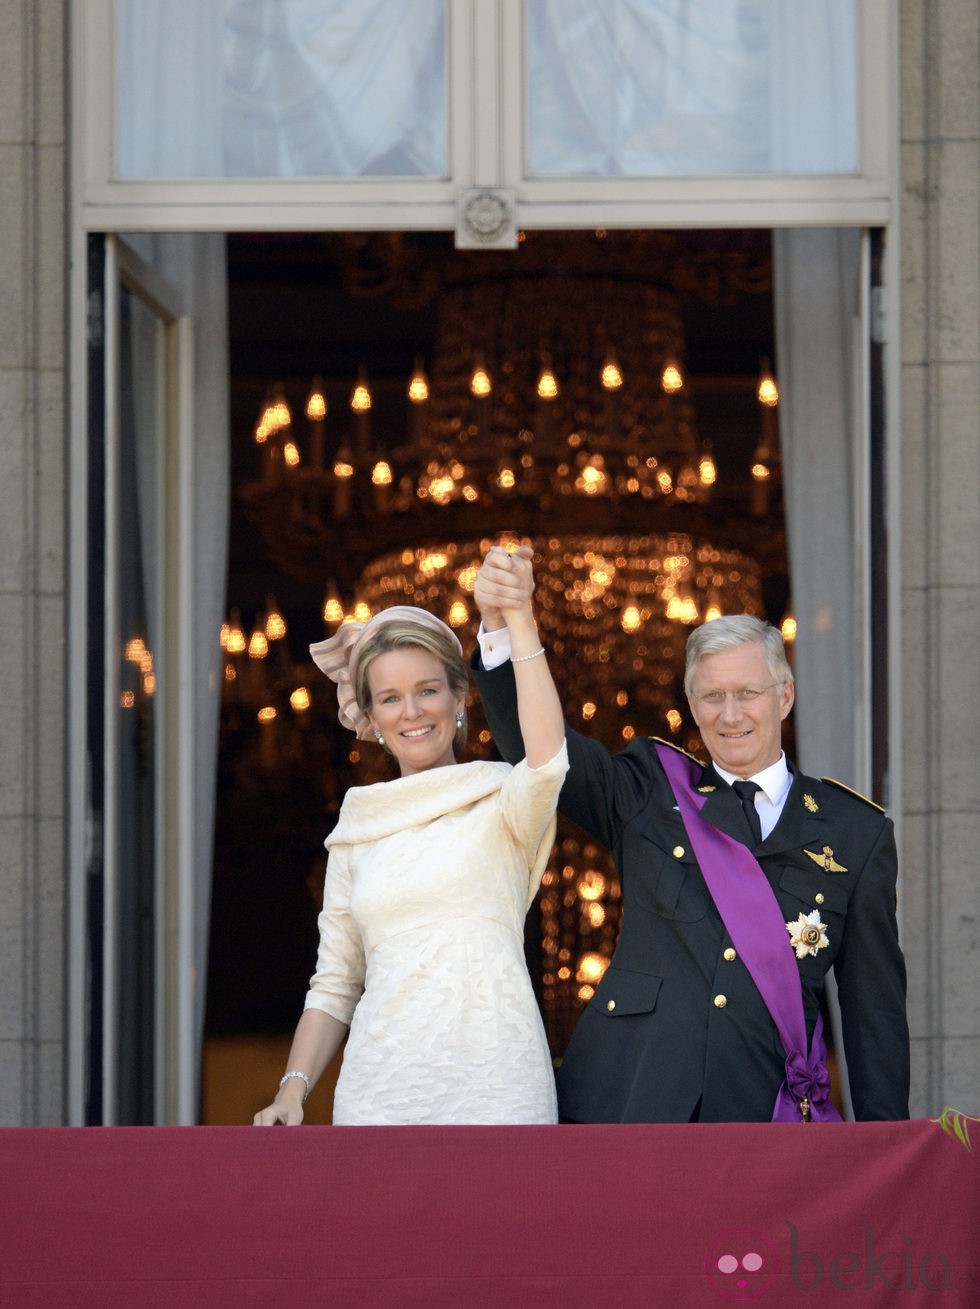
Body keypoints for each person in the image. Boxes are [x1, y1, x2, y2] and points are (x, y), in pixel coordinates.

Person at [471, 547, 910, 1123]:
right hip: (630, 1095)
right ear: (692, 706)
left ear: (785, 696)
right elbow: (543, 753)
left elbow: (871, 1009)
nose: (731, 716)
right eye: (712, 696)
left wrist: (886, 1152)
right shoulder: (650, 791)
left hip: (761, 1109)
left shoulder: (856, 831)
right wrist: (505, 626)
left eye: (748, 693)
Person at [254, 579, 568, 1126]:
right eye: (390, 698)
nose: (412, 712)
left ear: (459, 696)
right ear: (370, 717)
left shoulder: (501, 797)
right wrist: (291, 1092)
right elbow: (335, 982)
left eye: (427, 690)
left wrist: (518, 617)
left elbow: (548, 760)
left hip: (499, 1086)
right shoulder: (359, 823)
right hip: (380, 1094)